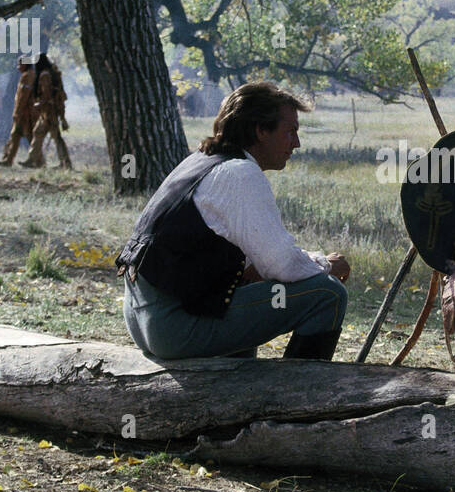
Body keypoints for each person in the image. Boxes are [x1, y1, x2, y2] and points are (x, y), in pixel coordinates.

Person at [116, 81, 351, 361]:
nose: (296, 143)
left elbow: (251, 263)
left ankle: (237, 387)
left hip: (145, 320)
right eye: (291, 131)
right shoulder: (240, 173)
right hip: (174, 328)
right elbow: (282, 264)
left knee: (247, 280)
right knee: (328, 293)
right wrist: (326, 264)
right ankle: (299, 395)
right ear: (261, 130)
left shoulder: (201, 161)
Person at [22, 52, 72, 169]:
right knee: (38, 133)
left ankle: (65, 163)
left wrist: (39, 103)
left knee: (55, 136)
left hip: (49, 111)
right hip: (48, 110)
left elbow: (47, 93)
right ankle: (32, 159)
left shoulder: (44, 75)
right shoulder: (51, 73)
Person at [0, 54, 38, 166]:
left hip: (26, 113)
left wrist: (18, 111)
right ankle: (9, 159)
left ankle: (39, 160)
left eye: (20, 64)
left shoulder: (28, 76)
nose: (18, 66)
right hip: (24, 112)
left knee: (29, 137)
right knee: (15, 135)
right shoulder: (28, 75)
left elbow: (24, 96)